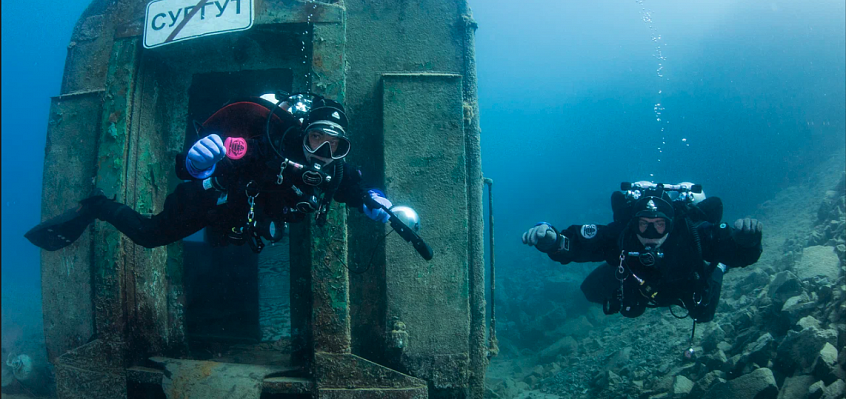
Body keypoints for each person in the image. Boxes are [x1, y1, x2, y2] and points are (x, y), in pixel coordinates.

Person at [26, 93, 393, 253]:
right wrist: (197, 163)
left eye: (335, 146)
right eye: (316, 139)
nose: (323, 153)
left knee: (219, 245)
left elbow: (353, 188)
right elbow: (202, 165)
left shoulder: (333, 170)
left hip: (240, 219)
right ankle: (96, 206)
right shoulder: (272, 146)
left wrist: (376, 202)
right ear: (303, 133)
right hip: (207, 200)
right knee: (148, 236)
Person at [521, 182, 763, 323]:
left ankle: (718, 269)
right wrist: (552, 240)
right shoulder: (622, 235)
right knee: (591, 291)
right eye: (644, 224)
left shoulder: (692, 234)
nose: (650, 233)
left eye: (659, 225)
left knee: (703, 314)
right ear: (633, 223)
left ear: (671, 224)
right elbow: (578, 244)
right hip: (636, 278)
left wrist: (748, 242)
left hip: (681, 283)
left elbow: (736, 252)